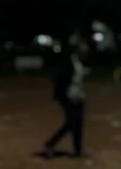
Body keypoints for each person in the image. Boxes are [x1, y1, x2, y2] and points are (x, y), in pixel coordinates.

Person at [44, 30, 89, 158]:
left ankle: (78, 150)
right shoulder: (68, 61)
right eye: (82, 45)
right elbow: (58, 79)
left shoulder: (78, 61)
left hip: (78, 96)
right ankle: (50, 144)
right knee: (72, 122)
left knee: (78, 123)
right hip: (69, 97)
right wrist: (64, 95)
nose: (85, 48)